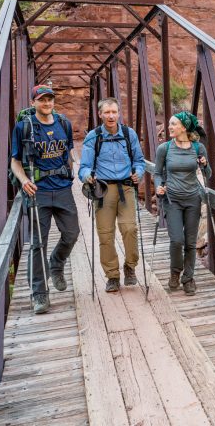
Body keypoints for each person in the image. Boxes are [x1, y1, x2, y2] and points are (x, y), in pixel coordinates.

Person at [10, 84, 79, 315]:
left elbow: (68, 153)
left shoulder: (64, 124)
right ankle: (39, 294)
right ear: (33, 103)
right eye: (42, 100)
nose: (47, 103)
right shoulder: (23, 127)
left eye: (50, 99)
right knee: (38, 243)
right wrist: (23, 180)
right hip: (38, 191)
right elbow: (15, 161)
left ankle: (57, 263)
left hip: (63, 189)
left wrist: (77, 176)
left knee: (71, 234)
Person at [78, 97, 145, 293]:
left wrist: (138, 173)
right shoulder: (93, 136)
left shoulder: (128, 133)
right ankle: (112, 276)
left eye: (114, 112)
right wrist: (87, 176)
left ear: (118, 113)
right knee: (105, 235)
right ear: (100, 115)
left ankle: (130, 266)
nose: (111, 116)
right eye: (106, 112)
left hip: (126, 187)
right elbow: (84, 167)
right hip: (104, 190)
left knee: (130, 229)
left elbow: (140, 161)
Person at [154, 111, 211, 296]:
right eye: (169, 124)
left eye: (173, 124)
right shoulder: (164, 149)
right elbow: (157, 173)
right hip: (172, 200)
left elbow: (208, 174)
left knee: (190, 243)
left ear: (184, 127)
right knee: (177, 240)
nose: (169, 127)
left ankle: (188, 278)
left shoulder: (197, 147)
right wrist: (158, 187)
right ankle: (175, 272)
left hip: (193, 200)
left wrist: (204, 163)